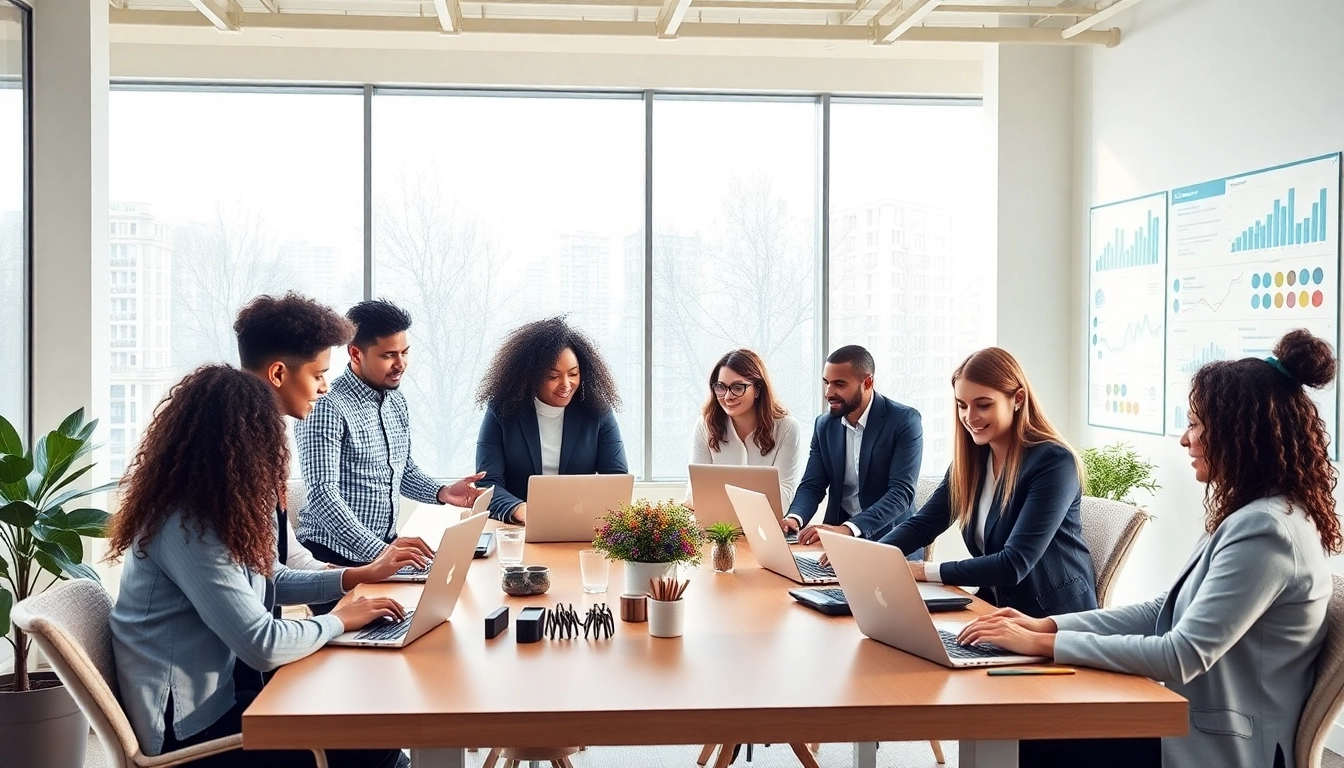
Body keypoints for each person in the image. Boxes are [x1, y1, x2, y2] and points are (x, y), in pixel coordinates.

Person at [958, 330, 1341, 768]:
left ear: (1239, 432)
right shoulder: (1254, 514)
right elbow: (1163, 610)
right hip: (1189, 721)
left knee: (1032, 737)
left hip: (1220, 746)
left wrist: (1043, 647)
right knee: (1031, 721)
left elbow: (1181, 655)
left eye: (1196, 424)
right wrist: (1047, 627)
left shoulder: (1266, 530)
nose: (1185, 439)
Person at [107, 365, 409, 768]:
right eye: (264, 438)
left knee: (366, 713)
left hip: (228, 697)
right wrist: (340, 621)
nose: (273, 453)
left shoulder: (219, 506)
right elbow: (262, 644)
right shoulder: (182, 524)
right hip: (188, 732)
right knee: (371, 741)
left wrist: (355, 576)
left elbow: (271, 578)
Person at [855, 347, 1097, 620]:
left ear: (1017, 399)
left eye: (983, 404)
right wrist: (870, 558)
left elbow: (1014, 564)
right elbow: (923, 525)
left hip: (1053, 623)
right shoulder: (971, 462)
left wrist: (922, 571)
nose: (970, 417)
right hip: (997, 612)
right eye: (962, 405)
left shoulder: (1053, 463)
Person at [233, 293, 430, 583]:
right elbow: (257, 618)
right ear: (277, 374)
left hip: (348, 563)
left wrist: (357, 576)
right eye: (318, 375)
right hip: (335, 552)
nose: (325, 387)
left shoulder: (263, 448)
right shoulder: (232, 465)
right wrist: (361, 574)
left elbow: (286, 560)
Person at [295, 299, 483, 569]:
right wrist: (382, 552)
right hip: (333, 557)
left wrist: (443, 492)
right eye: (388, 355)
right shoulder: (327, 406)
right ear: (356, 354)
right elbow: (323, 496)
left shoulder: (396, 402)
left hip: (382, 548)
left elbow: (402, 470)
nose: (401, 364)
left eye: (404, 352)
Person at [474, 316, 628, 523]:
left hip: (578, 525)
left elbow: (617, 481)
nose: (566, 384)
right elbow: (487, 483)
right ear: (530, 376)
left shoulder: (597, 411)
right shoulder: (502, 410)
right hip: (517, 529)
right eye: (553, 377)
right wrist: (521, 510)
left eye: (573, 374)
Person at [783, 345, 923, 547]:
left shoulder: (904, 420)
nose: (829, 393)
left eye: (839, 384)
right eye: (826, 383)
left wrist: (848, 529)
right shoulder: (824, 426)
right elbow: (812, 485)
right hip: (836, 543)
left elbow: (901, 493)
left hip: (890, 539)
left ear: (867, 382)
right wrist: (794, 519)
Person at [686, 348, 803, 510]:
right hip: (715, 527)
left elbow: (783, 497)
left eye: (738, 387)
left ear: (758, 390)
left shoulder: (787, 428)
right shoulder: (705, 425)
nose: (727, 397)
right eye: (721, 387)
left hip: (765, 526)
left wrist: (721, 501)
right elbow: (694, 494)